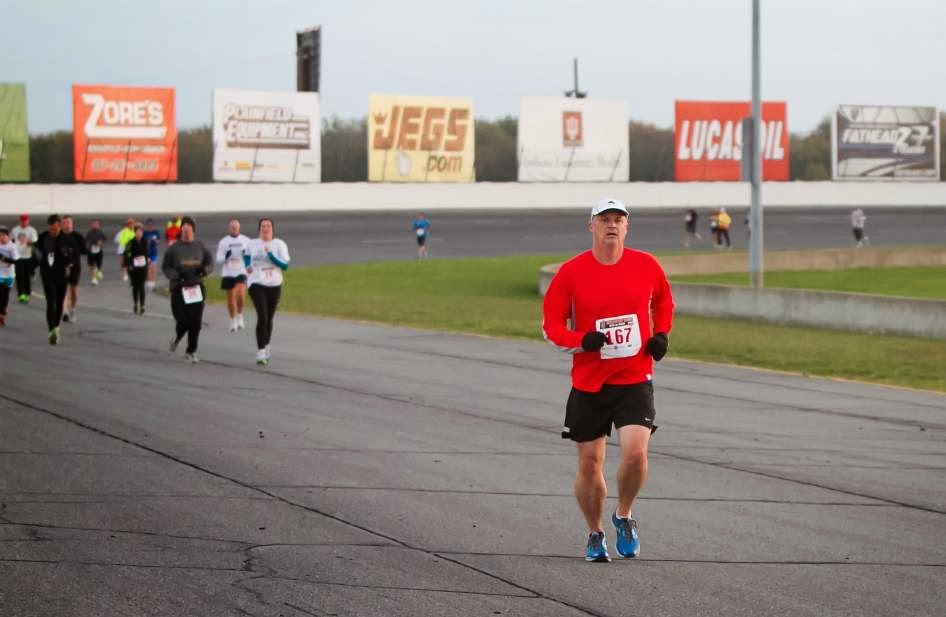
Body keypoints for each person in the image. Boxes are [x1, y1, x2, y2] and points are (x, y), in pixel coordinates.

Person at [542, 198, 674, 562]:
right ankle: (595, 532)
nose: (612, 225)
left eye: (618, 219)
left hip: (634, 377)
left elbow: (664, 303)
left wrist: (661, 335)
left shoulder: (646, 265)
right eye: (605, 219)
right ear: (592, 227)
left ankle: (624, 515)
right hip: (589, 383)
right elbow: (551, 325)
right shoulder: (571, 272)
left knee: (635, 455)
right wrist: (580, 340)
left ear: (626, 227)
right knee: (590, 463)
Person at [162, 216, 213, 363]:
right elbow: (166, 267)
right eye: (183, 229)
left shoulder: (200, 246)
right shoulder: (174, 249)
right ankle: (177, 338)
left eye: (188, 229)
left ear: (193, 231)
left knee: (196, 322)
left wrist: (205, 270)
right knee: (183, 321)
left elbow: (210, 263)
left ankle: (191, 351)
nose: (185, 232)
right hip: (179, 289)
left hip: (196, 288)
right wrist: (176, 275)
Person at [246, 218, 290, 365]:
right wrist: (247, 266)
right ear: (259, 229)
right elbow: (246, 255)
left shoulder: (279, 244)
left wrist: (270, 255)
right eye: (263, 226)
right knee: (262, 316)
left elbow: (284, 265)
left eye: (269, 226)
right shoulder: (253, 243)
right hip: (256, 283)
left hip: (274, 284)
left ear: (273, 229)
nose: (266, 228)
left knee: (269, 317)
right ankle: (260, 351)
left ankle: (267, 344)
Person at [35, 214, 80, 345]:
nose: (52, 231)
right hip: (47, 274)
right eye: (50, 229)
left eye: (55, 229)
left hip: (61, 274)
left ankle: (56, 327)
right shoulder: (43, 237)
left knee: (60, 303)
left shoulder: (68, 240)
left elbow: (74, 257)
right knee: (51, 301)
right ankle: (51, 332)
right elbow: (37, 252)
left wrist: (69, 265)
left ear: (59, 225)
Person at [215, 218, 251, 332]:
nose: (234, 229)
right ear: (229, 228)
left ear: (239, 228)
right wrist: (226, 256)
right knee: (231, 298)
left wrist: (246, 256)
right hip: (228, 272)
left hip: (241, 270)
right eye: (232, 227)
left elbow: (252, 256)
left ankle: (240, 315)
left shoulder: (246, 240)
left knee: (240, 293)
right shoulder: (224, 242)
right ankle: (233, 319)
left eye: (236, 227)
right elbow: (218, 259)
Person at [60, 215, 87, 324]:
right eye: (65, 222)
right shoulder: (59, 237)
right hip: (62, 267)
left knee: (73, 290)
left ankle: (73, 310)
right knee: (63, 289)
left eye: (69, 222)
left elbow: (85, 251)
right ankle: (64, 312)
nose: (67, 225)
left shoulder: (78, 236)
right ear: (62, 224)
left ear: (72, 224)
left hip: (75, 266)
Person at [124, 223, 150, 315]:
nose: (139, 234)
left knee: (142, 286)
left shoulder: (145, 241)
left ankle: (142, 306)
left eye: (141, 232)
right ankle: (135, 303)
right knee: (135, 286)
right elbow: (126, 253)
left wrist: (148, 259)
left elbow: (147, 252)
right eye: (138, 232)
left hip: (143, 266)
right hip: (134, 267)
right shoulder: (130, 242)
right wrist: (129, 263)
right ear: (135, 233)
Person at [11, 213, 37, 303]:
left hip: (28, 256)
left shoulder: (32, 230)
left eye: (25, 220)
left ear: (28, 220)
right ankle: (21, 294)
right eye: (22, 220)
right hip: (18, 256)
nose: (24, 222)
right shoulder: (15, 230)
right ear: (20, 221)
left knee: (27, 276)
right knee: (19, 276)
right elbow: (12, 240)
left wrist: (28, 241)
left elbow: (34, 242)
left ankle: (27, 293)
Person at [0, 226, 16, 326]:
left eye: (3, 235)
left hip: (10, 275)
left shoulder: (12, 247)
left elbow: (15, 261)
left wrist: (4, 258)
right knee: (0, 294)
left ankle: (3, 310)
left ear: (8, 236)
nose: (1, 237)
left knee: (5, 296)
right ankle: (1, 314)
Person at [85, 219, 106, 285]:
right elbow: (86, 241)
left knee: (98, 264)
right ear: (91, 225)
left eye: (96, 224)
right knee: (92, 265)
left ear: (99, 225)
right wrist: (87, 245)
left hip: (99, 250)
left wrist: (101, 242)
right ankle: (94, 279)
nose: (95, 225)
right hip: (91, 250)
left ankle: (98, 270)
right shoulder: (89, 232)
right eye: (93, 224)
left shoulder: (100, 232)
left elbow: (104, 239)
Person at [143, 218, 162, 291]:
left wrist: (155, 240)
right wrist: (148, 241)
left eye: (151, 225)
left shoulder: (155, 232)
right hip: (147, 253)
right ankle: (147, 283)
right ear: (147, 225)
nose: (150, 226)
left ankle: (153, 284)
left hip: (154, 252)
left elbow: (158, 241)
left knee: (153, 268)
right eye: (148, 225)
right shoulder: (144, 233)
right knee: (148, 269)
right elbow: (143, 243)